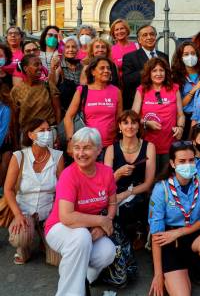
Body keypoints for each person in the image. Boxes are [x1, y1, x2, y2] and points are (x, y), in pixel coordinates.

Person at [45, 127, 117, 296]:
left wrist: (106, 222)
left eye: (87, 147)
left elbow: (113, 203)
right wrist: (100, 221)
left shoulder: (107, 173)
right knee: (81, 237)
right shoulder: (69, 175)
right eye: (77, 147)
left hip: (88, 229)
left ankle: (83, 278)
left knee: (108, 251)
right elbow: (67, 217)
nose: (81, 153)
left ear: (99, 150)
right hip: (59, 227)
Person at [148, 141, 200, 296]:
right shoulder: (160, 188)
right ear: (172, 163)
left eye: (191, 160)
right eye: (182, 161)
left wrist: (180, 232)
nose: (188, 165)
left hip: (193, 230)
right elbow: (157, 234)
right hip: (169, 238)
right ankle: (183, 268)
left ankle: (194, 263)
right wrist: (158, 274)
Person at [4, 118, 64, 264]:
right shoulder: (19, 156)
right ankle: (24, 248)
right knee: (21, 236)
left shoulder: (58, 156)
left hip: (49, 213)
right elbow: (8, 189)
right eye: (41, 131)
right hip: (24, 212)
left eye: (49, 130)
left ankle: (45, 241)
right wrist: (17, 215)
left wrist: (57, 215)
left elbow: (63, 190)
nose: (47, 134)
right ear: (30, 135)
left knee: (56, 260)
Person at [104, 110, 156, 245]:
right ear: (120, 126)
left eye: (133, 122)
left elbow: (148, 183)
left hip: (138, 190)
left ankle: (139, 231)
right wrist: (118, 173)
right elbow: (105, 183)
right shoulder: (111, 149)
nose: (130, 126)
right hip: (115, 190)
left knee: (134, 204)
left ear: (139, 126)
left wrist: (126, 194)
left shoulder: (149, 147)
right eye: (125, 123)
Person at [132, 57, 185, 171]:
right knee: (150, 181)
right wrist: (146, 123)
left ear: (166, 72)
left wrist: (180, 128)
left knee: (167, 178)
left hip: (170, 145)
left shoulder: (174, 88)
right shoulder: (142, 90)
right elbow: (133, 118)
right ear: (149, 73)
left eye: (161, 70)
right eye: (154, 70)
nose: (159, 74)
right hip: (148, 145)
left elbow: (180, 115)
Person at [64, 56, 122, 156]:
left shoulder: (116, 91)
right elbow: (68, 117)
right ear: (93, 72)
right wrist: (70, 141)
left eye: (108, 68)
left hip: (110, 147)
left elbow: (119, 119)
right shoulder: (82, 91)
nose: (106, 71)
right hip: (87, 148)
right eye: (102, 68)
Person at [10, 54, 61, 132]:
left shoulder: (48, 85)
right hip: (27, 135)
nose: (40, 67)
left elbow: (57, 110)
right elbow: (14, 118)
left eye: (41, 64)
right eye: (36, 65)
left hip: (48, 131)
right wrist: (16, 142)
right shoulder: (16, 90)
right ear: (25, 68)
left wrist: (58, 132)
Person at [122, 25, 168, 110]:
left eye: (152, 34)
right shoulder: (130, 57)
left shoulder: (164, 56)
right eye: (145, 35)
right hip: (140, 103)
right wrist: (149, 69)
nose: (149, 37)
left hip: (162, 103)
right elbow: (127, 80)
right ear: (139, 40)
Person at [171, 41, 200, 139]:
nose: (190, 56)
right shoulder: (175, 77)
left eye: (193, 53)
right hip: (185, 118)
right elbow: (179, 105)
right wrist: (193, 90)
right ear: (180, 57)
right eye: (186, 54)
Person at [55, 36, 83, 112]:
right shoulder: (59, 66)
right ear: (63, 50)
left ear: (77, 49)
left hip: (80, 109)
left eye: (73, 47)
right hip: (63, 109)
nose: (70, 50)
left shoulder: (82, 66)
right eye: (67, 47)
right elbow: (53, 87)